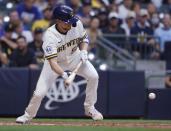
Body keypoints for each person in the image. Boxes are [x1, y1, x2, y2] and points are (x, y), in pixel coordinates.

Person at [16, 5, 103, 123]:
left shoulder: (76, 23)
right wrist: (63, 74)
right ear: (58, 20)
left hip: (75, 57)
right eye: (66, 22)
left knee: (94, 76)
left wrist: (83, 50)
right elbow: (52, 62)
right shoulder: (49, 36)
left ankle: (90, 108)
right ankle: (27, 115)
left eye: (70, 22)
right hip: (55, 64)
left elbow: (84, 38)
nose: (69, 25)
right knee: (39, 93)